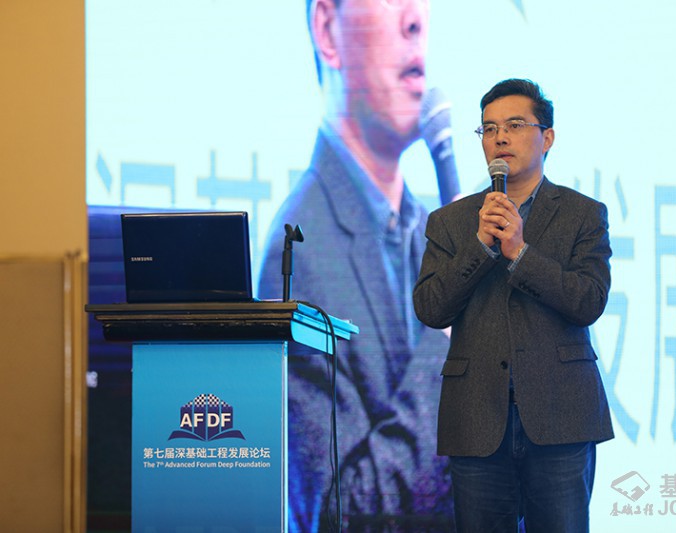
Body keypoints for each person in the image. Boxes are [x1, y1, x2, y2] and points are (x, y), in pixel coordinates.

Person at [258, 0, 453, 531]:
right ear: (327, 29)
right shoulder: (297, 252)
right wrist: (450, 337)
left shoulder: (432, 232)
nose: (415, 19)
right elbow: (340, 515)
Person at [413, 78, 614, 532]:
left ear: (547, 137)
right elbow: (430, 308)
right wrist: (480, 248)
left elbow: (588, 301)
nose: (499, 137)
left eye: (515, 125)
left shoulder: (583, 214)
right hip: (476, 416)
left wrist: (520, 253)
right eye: (488, 129)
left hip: (561, 414)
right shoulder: (450, 221)